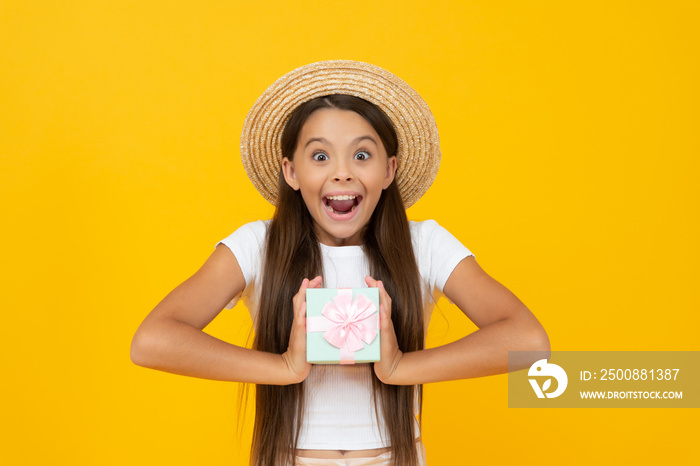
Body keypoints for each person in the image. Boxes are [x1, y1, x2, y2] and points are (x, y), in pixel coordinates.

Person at [130, 60, 550, 466]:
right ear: (291, 172)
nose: (343, 173)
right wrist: (284, 367)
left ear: (390, 170)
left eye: (362, 156)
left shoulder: (424, 244)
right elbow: (152, 341)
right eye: (320, 157)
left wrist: (401, 366)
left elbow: (529, 342)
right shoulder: (258, 244)